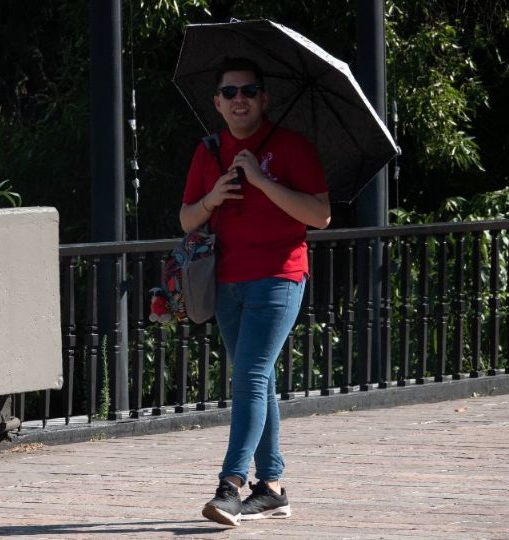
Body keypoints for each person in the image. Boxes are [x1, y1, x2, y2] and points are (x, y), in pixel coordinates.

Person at [179, 57, 331, 526]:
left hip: (279, 275)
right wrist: (213, 197)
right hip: (227, 280)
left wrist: (263, 181)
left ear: (265, 98)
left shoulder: (290, 147)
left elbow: (320, 215)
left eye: (248, 91)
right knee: (257, 380)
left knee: (249, 376)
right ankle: (272, 487)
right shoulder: (209, 151)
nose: (238, 99)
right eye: (230, 92)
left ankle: (230, 485)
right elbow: (186, 219)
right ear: (217, 102)